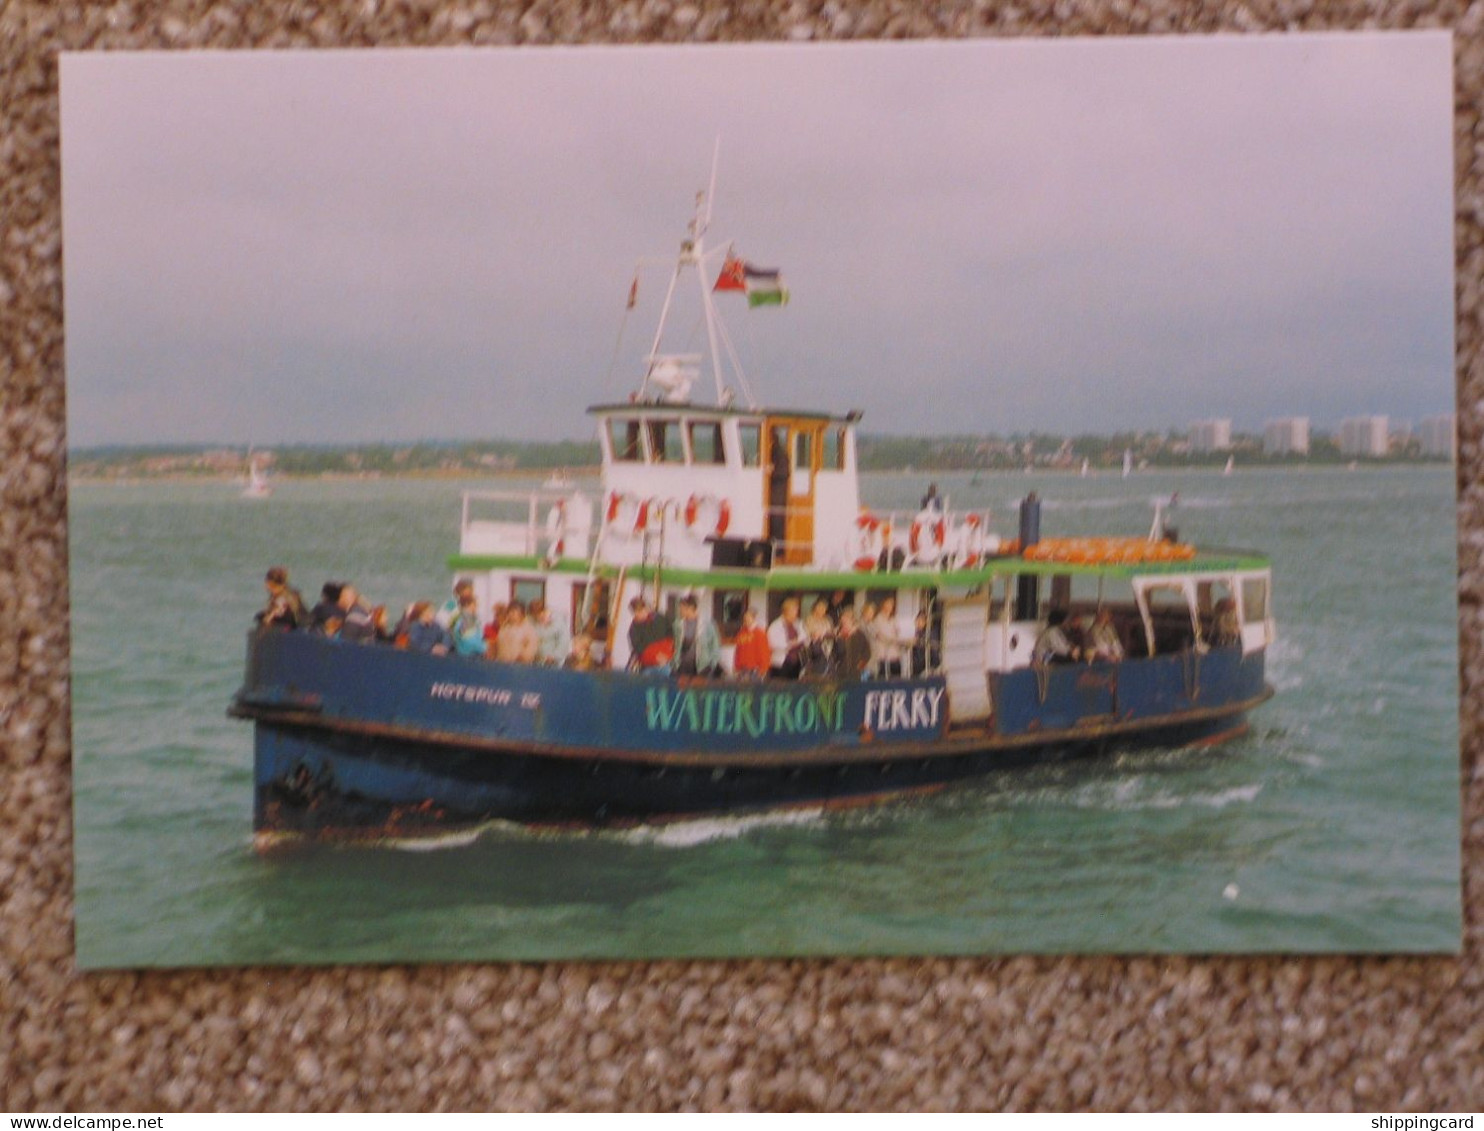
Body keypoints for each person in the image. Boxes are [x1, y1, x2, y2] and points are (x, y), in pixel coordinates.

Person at [672, 594, 722, 677]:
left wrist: (712, 664)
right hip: (681, 666)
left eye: (682, 608)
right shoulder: (677, 625)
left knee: (699, 688)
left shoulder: (708, 625)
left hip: (702, 666)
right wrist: (673, 662)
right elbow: (675, 644)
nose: (680, 610)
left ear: (690, 608)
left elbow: (715, 646)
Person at [627, 596, 674, 671]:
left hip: (667, 662)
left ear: (646, 608)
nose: (642, 613)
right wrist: (655, 657)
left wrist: (668, 656)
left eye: (643, 610)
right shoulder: (633, 630)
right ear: (634, 613)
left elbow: (671, 636)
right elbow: (638, 648)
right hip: (649, 666)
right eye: (638, 612)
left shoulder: (660, 619)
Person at [767, 597, 808, 679]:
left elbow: (805, 637)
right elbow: (772, 644)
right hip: (781, 663)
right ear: (786, 611)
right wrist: (792, 643)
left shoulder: (798, 623)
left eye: (797, 610)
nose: (796, 613)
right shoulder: (775, 626)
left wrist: (799, 640)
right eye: (794, 611)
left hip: (796, 662)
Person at [256, 566, 306, 630]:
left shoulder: (281, 600)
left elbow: (268, 620)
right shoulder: (293, 594)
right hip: (301, 627)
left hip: (290, 630)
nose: (265, 587)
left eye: (268, 584)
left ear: (274, 584)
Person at [872, 595, 910, 678]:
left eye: (891, 605)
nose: (889, 606)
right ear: (883, 605)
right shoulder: (878, 619)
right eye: (888, 604)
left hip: (895, 654)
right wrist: (893, 640)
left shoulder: (894, 619)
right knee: (883, 677)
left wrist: (904, 640)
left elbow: (898, 633)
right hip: (883, 654)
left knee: (896, 676)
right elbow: (880, 635)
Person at [731, 607, 770, 679]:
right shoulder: (741, 633)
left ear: (753, 618)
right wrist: (736, 666)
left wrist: (764, 668)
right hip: (742, 668)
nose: (746, 619)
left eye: (748, 617)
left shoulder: (760, 634)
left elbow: (764, 652)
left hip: (755, 669)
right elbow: (738, 651)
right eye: (745, 618)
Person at [835, 607, 872, 679]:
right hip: (841, 670)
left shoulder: (859, 634)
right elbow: (834, 652)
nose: (844, 620)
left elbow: (867, 652)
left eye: (847, 618)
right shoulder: (837, 633)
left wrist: (861, 665)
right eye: (843, 617)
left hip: (856, 671)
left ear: (852, 620)